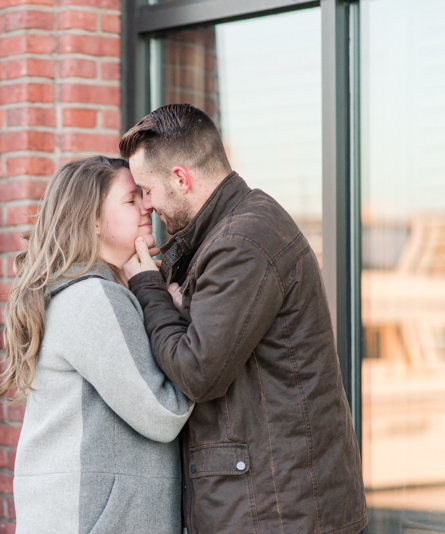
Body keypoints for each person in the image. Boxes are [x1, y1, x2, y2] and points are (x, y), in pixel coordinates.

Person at [120, 104, 367, 534]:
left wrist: (147, 286)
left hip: (276, 513)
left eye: (146, 189)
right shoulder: (229, 229)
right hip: (276, 504)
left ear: (181, 178)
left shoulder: (242, 242)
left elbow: (197, 372)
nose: (146, 204)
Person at [0, 156, 194, 534]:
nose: (146, 206)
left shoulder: (87, 291)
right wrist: (183, 322)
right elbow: (164, 411)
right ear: (93, 222)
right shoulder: (92, 298)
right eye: (130, 200)